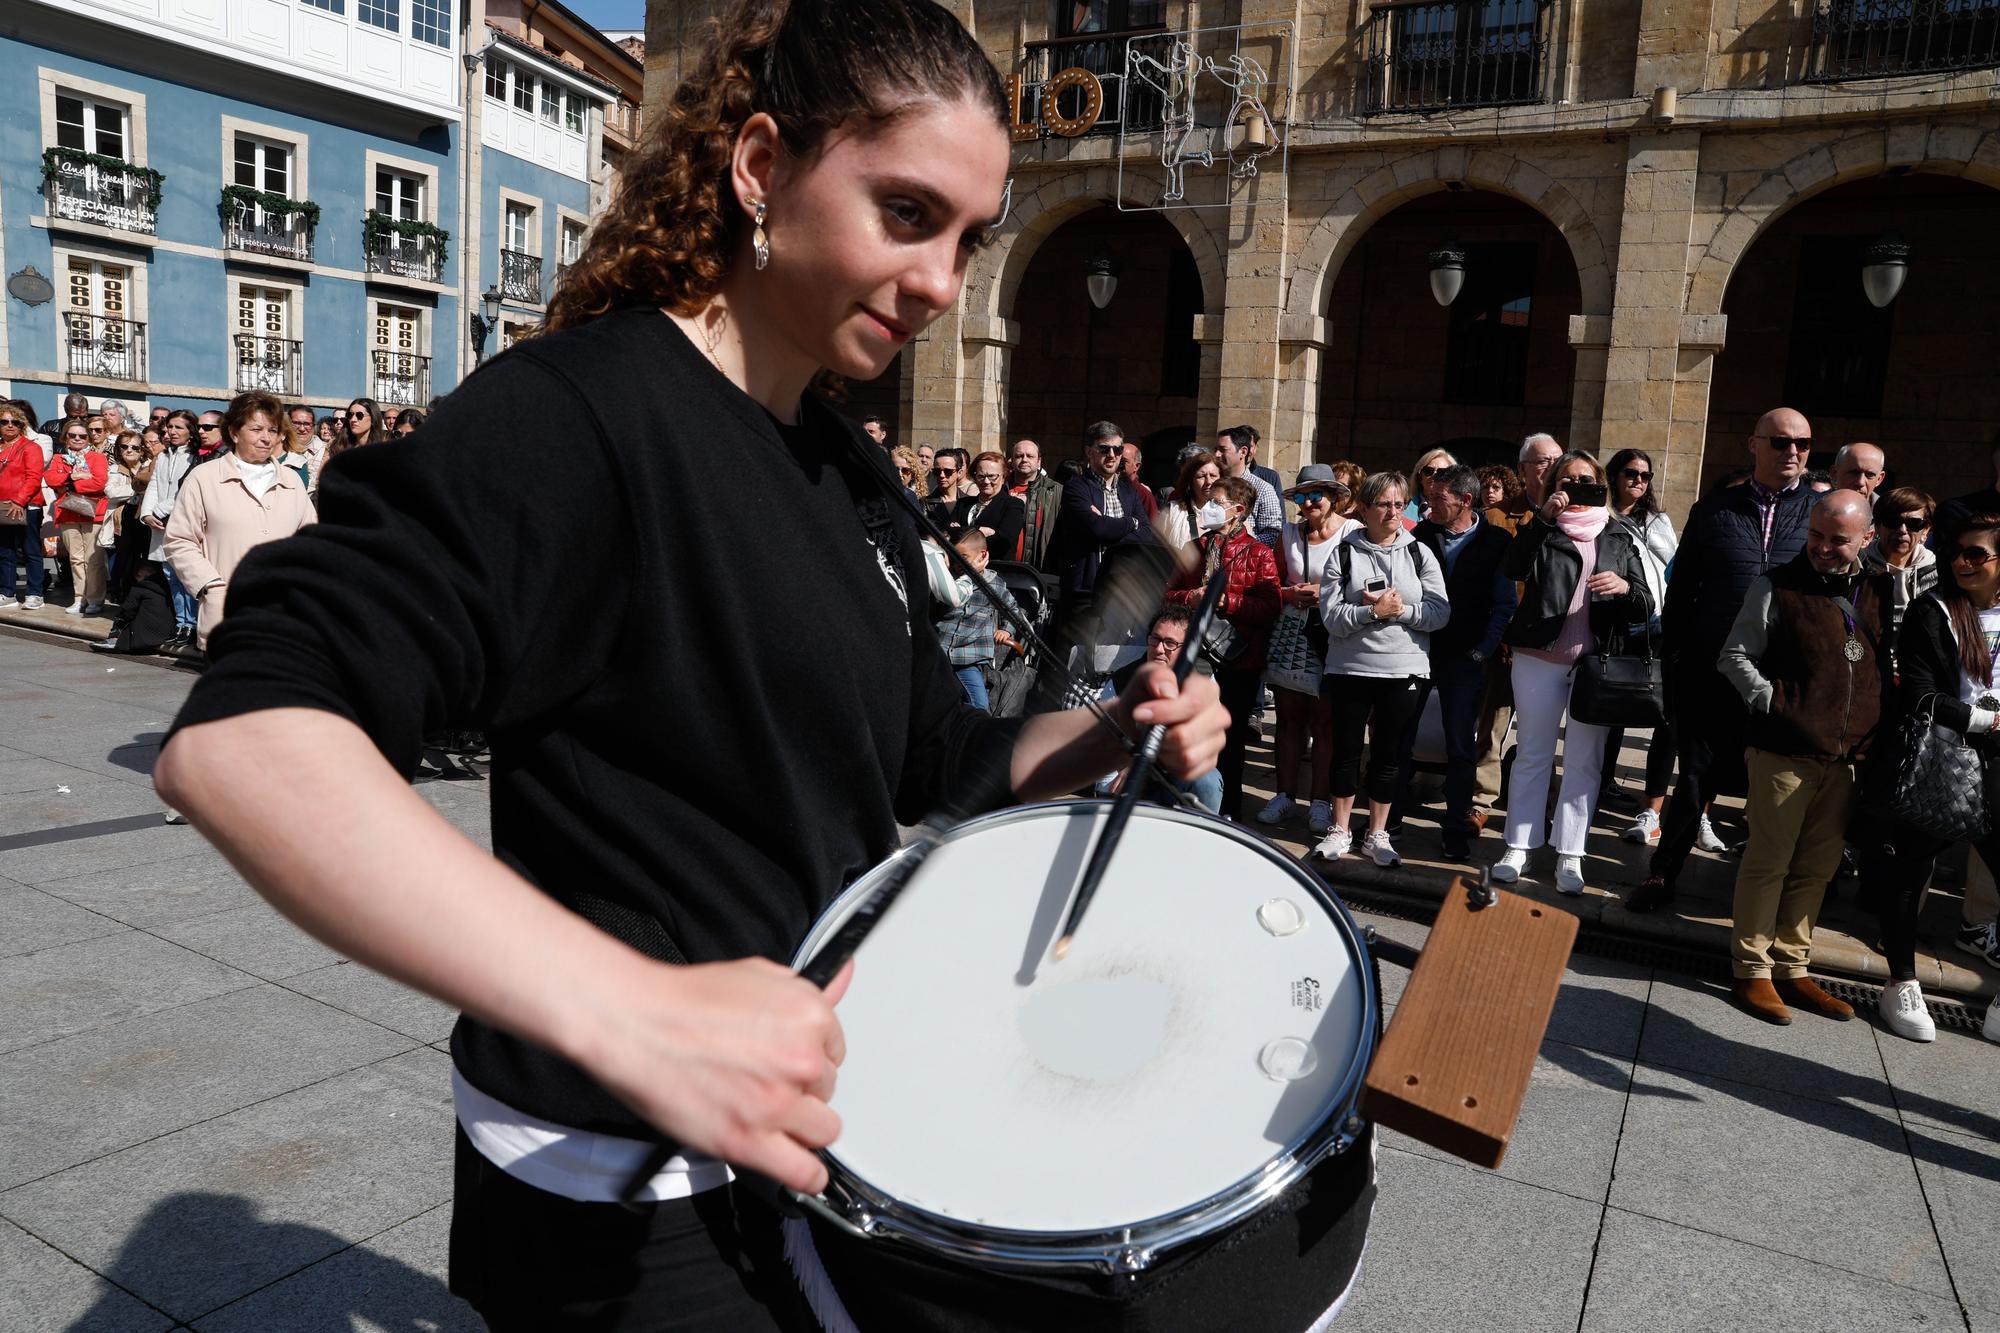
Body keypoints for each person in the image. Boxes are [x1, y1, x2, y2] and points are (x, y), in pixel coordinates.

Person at [149, 6, 1237, 1327]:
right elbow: (248, 735)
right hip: (614, 1180)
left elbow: (929, 760)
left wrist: (1114, 732)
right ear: (763, 166)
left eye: (970, 237)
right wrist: (631, 1011)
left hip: (813, 1127)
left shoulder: (845, 463)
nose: (944, 282)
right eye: (906, 213)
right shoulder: (574, 416)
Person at [1627, 408, 1817, 913]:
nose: (1792, 451)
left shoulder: (1818, 513)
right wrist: (1676, 665)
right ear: (1754, 445)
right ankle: (1662, 875)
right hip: (1711, 673)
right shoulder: (1715, 509)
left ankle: (1764, 898)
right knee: (1694, 779)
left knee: (1775, 792)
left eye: (1802, 443)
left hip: (1783, 679)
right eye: (1780, 442)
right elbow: (1683, 587)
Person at [1715, 491, 1884, 1026]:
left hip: (1849, 757)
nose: (1824, 548)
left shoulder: (1879, 591)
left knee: (1816, 869)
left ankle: (1792, 965)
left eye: (1838, 540)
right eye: (1816, 536)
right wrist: (1775, 703)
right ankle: (1752, 969)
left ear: (1866, 538)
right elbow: (1734, 655)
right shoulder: (1776, 586)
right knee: (1769, 862)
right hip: (1783, 751)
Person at [1490, 450, 1652, 894]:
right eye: (1567, 479)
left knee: (1585, 761)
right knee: (1533, 753)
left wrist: (1623, 587)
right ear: (1554, 484)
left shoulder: (1618, 534)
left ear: (1599, 483)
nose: (1576, 486)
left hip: (1595, 665)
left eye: (1585, 479)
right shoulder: (1542, 528)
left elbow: (1645, 601)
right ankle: (1519, 846)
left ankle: (1570, 853)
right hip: (1538, 656)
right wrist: (1544, 516)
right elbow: (1512, 568)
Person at [1865, 514, 2000, 1043]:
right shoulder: (1935, 609)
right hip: (1943, 755)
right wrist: (1986, 721)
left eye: (1977, 555)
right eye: (1957, 553)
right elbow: (1918, 692)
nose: (1962, 563)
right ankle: (1900, 980)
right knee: (1910, 872)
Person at [1315, 471, 1449, 866]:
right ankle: (1339, 830)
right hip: (1350, 667)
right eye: (1384, 504)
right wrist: (1371, 612)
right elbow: (1332, 618)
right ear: (1365, 508)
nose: (1393, 512)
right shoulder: (1343, 552)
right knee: (1346, 751)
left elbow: (1440, 612)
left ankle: (1377, 834)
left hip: (1403, 669)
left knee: (1389, 755)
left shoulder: (1419, 553)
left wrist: (1401, 611)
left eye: (1398, 504)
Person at [1406, 465, 1516, 861]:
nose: (1430, 506)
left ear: (1465, 501)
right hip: (1417, 650)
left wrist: (1482, 650)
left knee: (1460, 745)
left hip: (1465, 657)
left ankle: (1455, 827)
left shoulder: (1496, 541)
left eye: (1439, 499)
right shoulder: (1421, 536)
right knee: (1403, 733)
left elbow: (1504, 604)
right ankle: (1390, 817)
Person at [164, 391, 319, 650]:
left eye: (272, 430)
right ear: (234, 432)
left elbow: (312, 541)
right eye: (256, 429)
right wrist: (209, 585)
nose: (266, 437)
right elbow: (179, 540)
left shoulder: (291, 480)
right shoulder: (204, 478)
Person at [1166, 476, 1279, 820]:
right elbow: (1167, 595)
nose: (1208, 508)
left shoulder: (1259, 553)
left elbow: (1270, 606)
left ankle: (1228, 810)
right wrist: (1191, 597)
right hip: (1197, 656)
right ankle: (1188, 801)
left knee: (1229, 740)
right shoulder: (1197, 547)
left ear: (1238, 510)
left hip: (1239, 658)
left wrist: (1226, 602)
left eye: (1216, 502)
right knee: (1190, 732)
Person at [1258, 465, 1354, 836]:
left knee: (1325, 721)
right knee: (1288, 719)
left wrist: (1326, 594)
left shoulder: (1351, 533)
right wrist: (1288, 593)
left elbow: (1363, 579)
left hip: (1333, 633)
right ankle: (1284, 795)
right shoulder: (1285, 534)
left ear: (1334, 498)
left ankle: (1320, 802)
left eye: (1317, 494)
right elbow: (1269, 584)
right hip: (1291, 632)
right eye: (1301, 495)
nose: (1309, 502)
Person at [1604, 447, 1679, 847]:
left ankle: (1621, 786)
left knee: (1653, 702)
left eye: (1645, 475)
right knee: (1612, 698)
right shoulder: (1602, 516)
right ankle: (1601, 779)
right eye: (1631, 473)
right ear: (1614, 475)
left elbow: (1675, 564)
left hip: (1657, 620)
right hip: (1617, 619)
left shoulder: (1657, 520)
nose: (1638, 480)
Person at [1051, 420, 1150, 625]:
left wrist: (1108, 527)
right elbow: (1097, 528)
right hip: (1086, 590)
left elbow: (1146, 532)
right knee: (1078, 654)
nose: (1112, 455)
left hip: (1122, 591)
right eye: (1104, 449)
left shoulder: (1128, 491)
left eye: (1117, 449)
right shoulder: (1076, 488)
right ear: (1089, 452)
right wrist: (1130, 523)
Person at [933, 528, 1023, 710]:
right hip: (938, 651)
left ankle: (971, 733)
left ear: (982, 555)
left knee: (979, 704)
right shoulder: (947, 580)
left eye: (963, 557)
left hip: (968, 657)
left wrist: (1006, 630)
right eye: (952, 556)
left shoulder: (993, 584)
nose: (956, 562)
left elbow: (1013, 610)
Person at [140, 410, 203, 648]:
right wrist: (147, 513)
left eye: (178, 427)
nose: (171, 432)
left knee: (186, 575)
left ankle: (194, 622)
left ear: (190, 431)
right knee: (170, 575)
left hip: (182, 520)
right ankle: (181, 622)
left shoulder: (194, 456)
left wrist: (161, 509)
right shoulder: (165, 455)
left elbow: (185, 488)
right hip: (160, 523)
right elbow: (155, 484)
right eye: (169, 428)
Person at [44, 417, 109, 616]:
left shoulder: (98, 458)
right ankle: (79, 598)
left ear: (89, 438)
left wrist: (70, 484)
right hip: (68, 513)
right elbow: (51, 478)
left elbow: (99, 483)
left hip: (93, 513)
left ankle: (95, 598)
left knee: (94, 560)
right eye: (73, 435)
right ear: (65, 438)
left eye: (83, 435)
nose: (78, 439)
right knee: (75, 559)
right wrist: (76, 478)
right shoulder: (58, 458)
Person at [0, 401, 50, 610]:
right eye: (4, 421)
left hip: (27, 506)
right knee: (5, 551)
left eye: (15, 422)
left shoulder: (32, 447)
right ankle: (7, 592)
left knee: (30, 551)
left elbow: (33, 477)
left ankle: (34, 594)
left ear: (22, 426)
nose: (10, 425)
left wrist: (19, 501)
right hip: (2, 506)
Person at [88, 560, 176, 655]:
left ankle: (114, 639)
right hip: (166, 635)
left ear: (140, 575)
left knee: (123, 617)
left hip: (143, 639)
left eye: (137, 576)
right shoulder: (169, 588)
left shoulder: (139, 589)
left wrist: (114, 633)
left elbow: (126, 613)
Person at [948, 450, 1024, 557]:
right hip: (959, 567)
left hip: (995, 569)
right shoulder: (963, 504)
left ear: (1003, 477)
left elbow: (1004, 541)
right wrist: (978, 530)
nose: (986, 481)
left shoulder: (1013, 505)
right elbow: (947, 532)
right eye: (981, 476)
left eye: (992, 476)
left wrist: (961, 532)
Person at [1214, 426, 1280, 547]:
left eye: (1223, 450)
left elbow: (1273, 536)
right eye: (1216, 449)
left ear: (1243, 452)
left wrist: (1242, 542)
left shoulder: (1263, 489)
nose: (1217, 454)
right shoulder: (1211, 484)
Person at [108, 431, 153, 603]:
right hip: (124, 521)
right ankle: (125, 597)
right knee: (126, 561)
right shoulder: (114, 468)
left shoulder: (150, 465)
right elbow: (111, 492)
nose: (129, 450)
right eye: (124, 446)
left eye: (135, 447)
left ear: (142, 450)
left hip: (146, 520)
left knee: (147, 559)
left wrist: (131, 491)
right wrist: (139, 489)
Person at [1006, 437, 1060, 568]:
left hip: (1039, 569)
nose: (1024, 459)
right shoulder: (1000, 488)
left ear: (1039, 461)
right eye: (1019, 456)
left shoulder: (1056, 491)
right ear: (1012, 461)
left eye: (1030, 456)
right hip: (1003, 567)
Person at [1158, 449, 1222, 553]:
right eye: (1201, 476)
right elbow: (1155, 551)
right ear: (1190, 481)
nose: (1208, 482)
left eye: (1213, 476)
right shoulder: (1172, 511)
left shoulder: (1232, 514)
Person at [1406, 447, 1456, 526]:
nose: (1434, 475)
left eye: (1442, 472)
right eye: (1428, 471)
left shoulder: (1460, 509)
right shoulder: (1402, 507)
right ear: (1419, 478)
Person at [334, 397, 389, 463]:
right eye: (350, 415)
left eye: (359, 415)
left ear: (373, 418)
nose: (353, 419)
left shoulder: (383, 450)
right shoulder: (337, 446)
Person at [1479, 464, 1527, 535]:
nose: (1490, 490)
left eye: (1496, 487)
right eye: (1485, 487)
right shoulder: (1470, 516)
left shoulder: (1515, 519)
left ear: (1505, 491)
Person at [1121, 440, 1159, 520]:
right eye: (1117, 459)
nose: (1118, 464)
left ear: (1136, 466)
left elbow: (1152, 528)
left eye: (1124, 461)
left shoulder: (1144, 495)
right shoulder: (1107, 488)